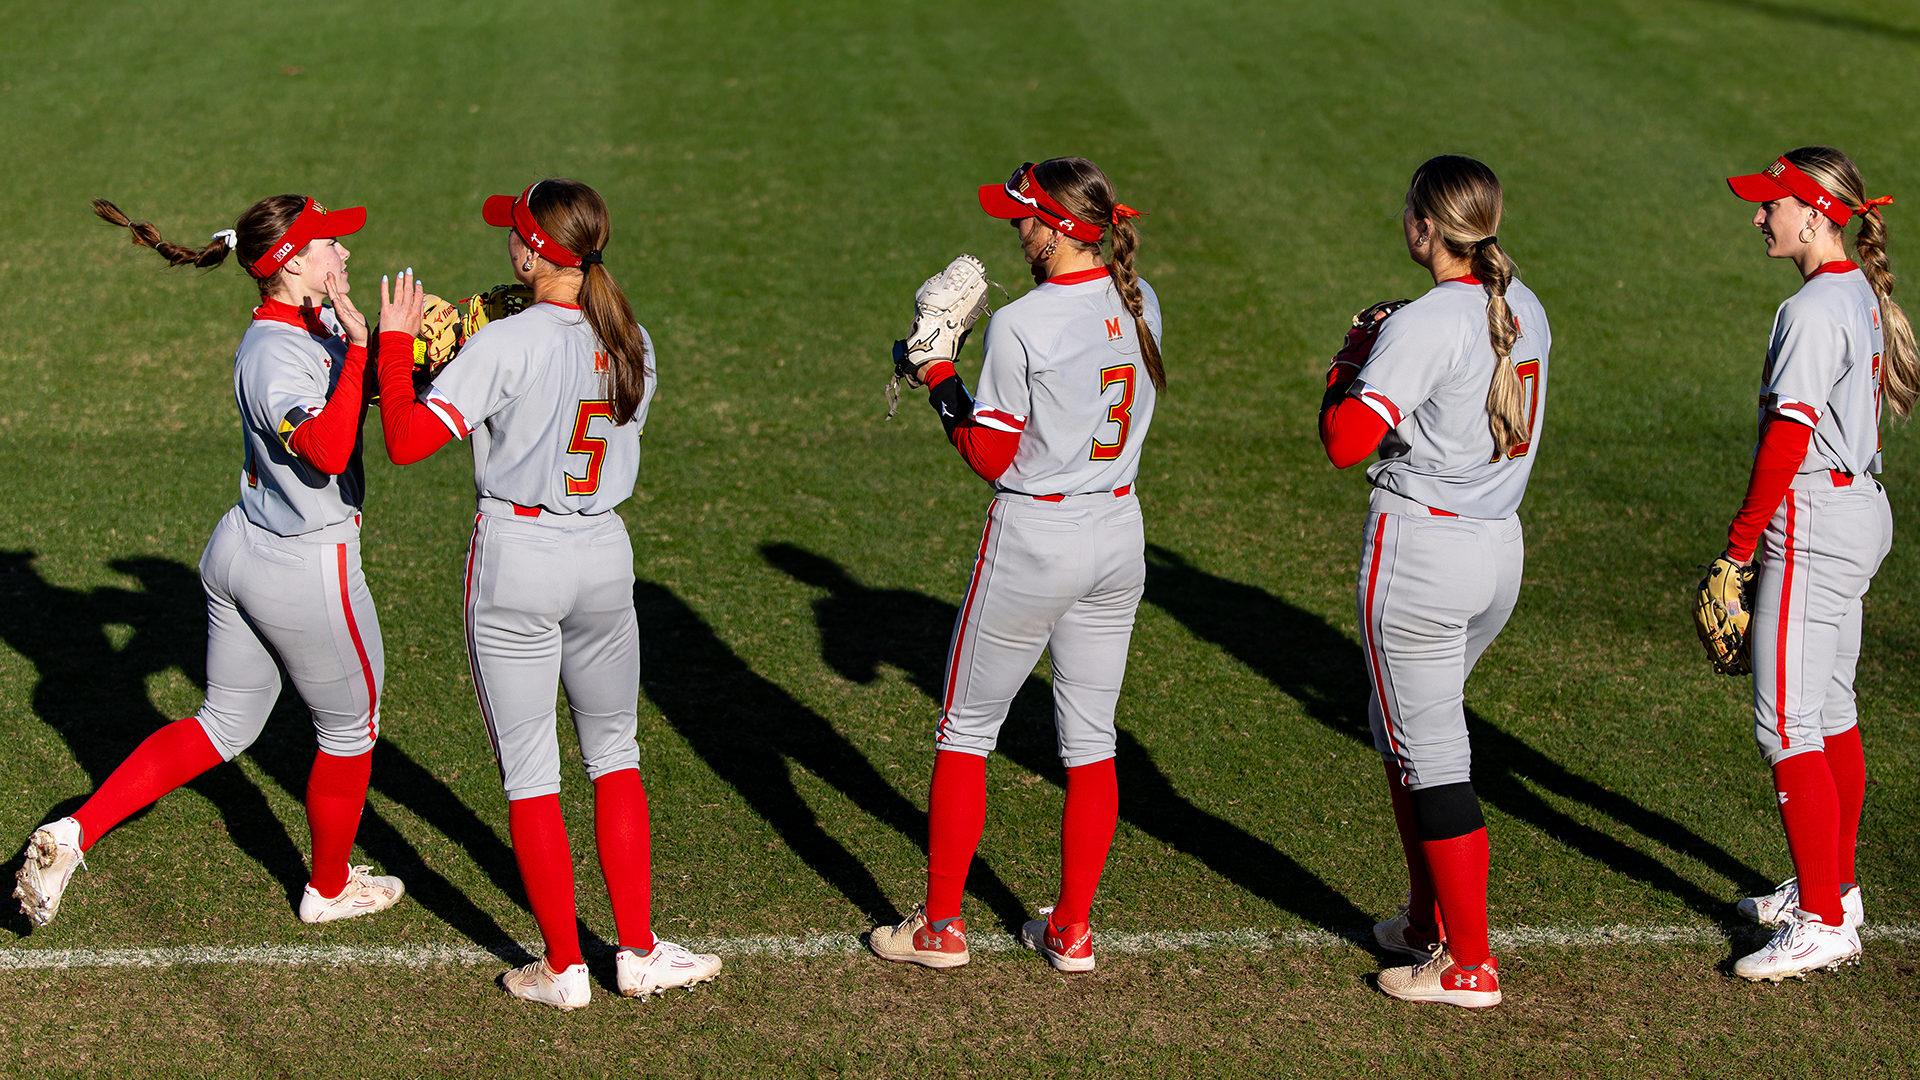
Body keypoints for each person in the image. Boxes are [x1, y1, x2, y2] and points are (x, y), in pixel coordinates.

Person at [14, 195, 414, 928]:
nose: (346, 253)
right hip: (304, 565)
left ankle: (72, 834)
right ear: (292, 262)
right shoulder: (270, 355)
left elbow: (364, 395)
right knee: (350, 731)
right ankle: (328, 889)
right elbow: (326, 452)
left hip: (244, 548)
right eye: (331, 243)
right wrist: (365, 349)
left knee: (224, 725)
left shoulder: (316, 321)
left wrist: (411, 346)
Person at [372, 178, 720, 1009]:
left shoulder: (506, 344)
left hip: (518, 559)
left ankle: (564, 969)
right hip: (603, 554)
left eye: (514, 234)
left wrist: (394, 346)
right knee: (616, 756)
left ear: (532, 254)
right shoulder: (633, 337)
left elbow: (405, 440)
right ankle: (638, 951)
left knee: (532, 772)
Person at [869, 158, 1162, 973]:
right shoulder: (1141, 300)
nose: (1015, 230)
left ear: (1057, 229)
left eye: (1023, 219)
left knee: (966, 732)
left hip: (1037, 537)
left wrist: (938, 376)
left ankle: (940, 928)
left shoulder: (1025, 323)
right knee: (1092, 741)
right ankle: (1072, 929)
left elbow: (989, 453)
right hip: (1119, 530)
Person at [1318, 155, 1551, 1008]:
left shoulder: (1426, 322)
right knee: (1406, 731)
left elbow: (1344, 441)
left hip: (1422, 554)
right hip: (1497, 551)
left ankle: (1469, 964)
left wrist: (1351, 359)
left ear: (1425, 226)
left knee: (1431, 751)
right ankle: (1425, 922)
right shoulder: (1525, 305)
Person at [1717, 148, 1912, 982]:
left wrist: (1738, 547)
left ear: (1815, 214)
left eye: (1773, 205)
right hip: (1858, 507)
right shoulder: (1857, 292)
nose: (1759, 216)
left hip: (1814, 519)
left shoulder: (1812, 307)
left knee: (1786, 725)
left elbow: (1787, 436)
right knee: (1831, 706)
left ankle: (1824, 923)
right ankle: (1836, 889)